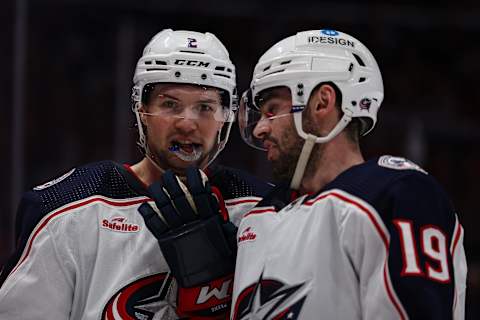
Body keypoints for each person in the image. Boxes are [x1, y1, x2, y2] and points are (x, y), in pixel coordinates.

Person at [0, 29, 270, 319]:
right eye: (170, 104)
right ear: (141, 109)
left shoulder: (261, 210)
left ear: (225, 116)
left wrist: (217, 298)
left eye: (205, 107)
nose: (187, 124)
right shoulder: (68, 210)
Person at [232, 29, 467, 319]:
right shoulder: (258, 217)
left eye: (272, 110)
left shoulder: (397, 193)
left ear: (322, 102)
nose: (259, 129)